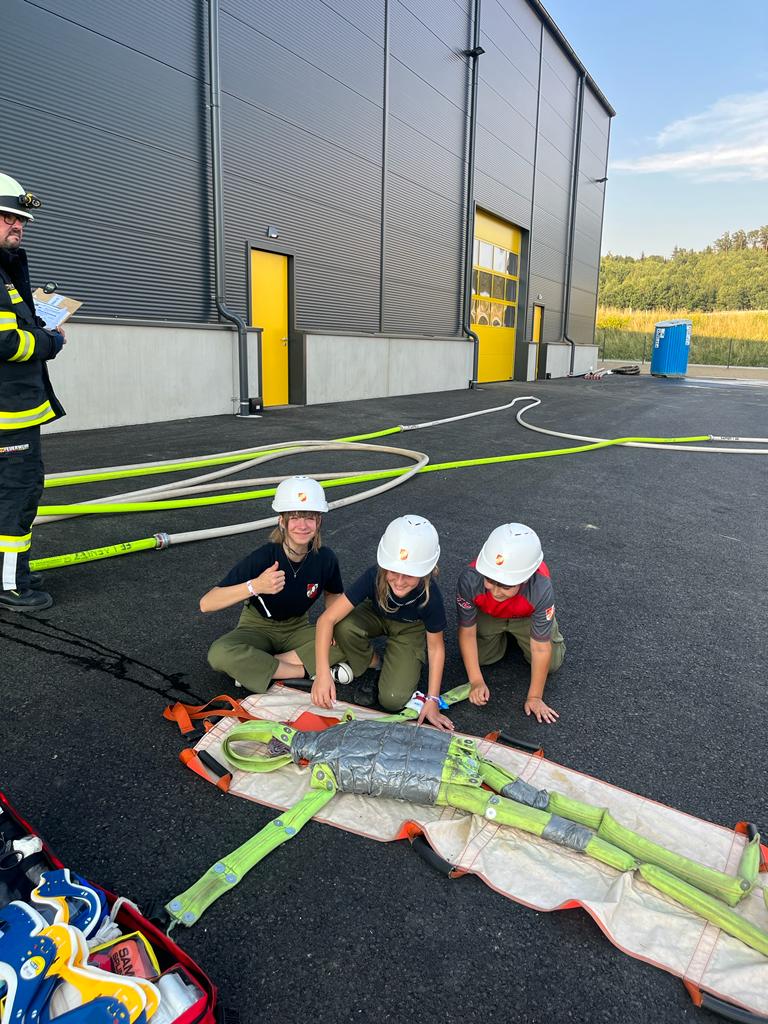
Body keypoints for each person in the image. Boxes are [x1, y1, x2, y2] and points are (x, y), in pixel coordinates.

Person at [200, 475, 353, 692]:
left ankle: (263, 666)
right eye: (295, 517)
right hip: (257, 626)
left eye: (309, 517)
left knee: (350, 639)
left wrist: (335, 627)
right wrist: (255, 586)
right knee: (220, 654)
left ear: (319, 521)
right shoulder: (264, 557)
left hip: (297, 627)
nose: (302, 525)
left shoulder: (325, 558)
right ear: (282, 521)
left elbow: (333, 594)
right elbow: (207, 603)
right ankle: (303, 671)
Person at [312, 514, 453, 731]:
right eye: (394, 571)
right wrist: (322, 675)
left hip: (409, 628)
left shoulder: (430, 596)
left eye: (408, 575)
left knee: (393, 700)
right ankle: (375, 662)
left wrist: (432, 700)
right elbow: (326, 619)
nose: (399, 581)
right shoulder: (375, 575)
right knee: (342, 623)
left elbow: (436, 648)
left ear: (425, 571)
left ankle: (393, 665)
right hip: (377, 615)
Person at [0, 172, 66, 612]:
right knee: (17, 495)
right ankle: (10, 583)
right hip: (9, 415)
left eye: (20, 219)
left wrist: (37, 324)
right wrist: (51, 342)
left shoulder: (6, 270)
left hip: (15, 408)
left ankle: (12, 568)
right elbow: (6, 343)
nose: (16, 226)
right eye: (7, 217)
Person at [456, 523, 565, 724]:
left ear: (525, 578)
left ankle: (539, 627)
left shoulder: (541, 587)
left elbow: (541, 648)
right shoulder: (469, 579)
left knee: (551, 662)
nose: (496, 591)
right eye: (490, 581)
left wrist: (535, 697)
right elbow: (467, 632)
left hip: (527, 616)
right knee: (479, 659)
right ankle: (504, 636)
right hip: (490, 613)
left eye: (506, 585)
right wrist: (476, 681)